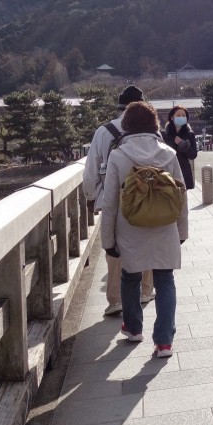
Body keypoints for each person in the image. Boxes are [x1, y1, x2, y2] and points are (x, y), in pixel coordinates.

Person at [99, 101, 188, 358]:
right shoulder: (168, 154)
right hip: (165, 226)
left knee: (130, 276)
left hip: (130, 228)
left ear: (126, 126)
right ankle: (164, 342)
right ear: (155, 125)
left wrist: (108, 240)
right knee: (165, 279)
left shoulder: (118, 156)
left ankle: (133, 328)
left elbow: (110, 202)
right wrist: (182, 232)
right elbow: (180, 196)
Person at [82, 85, 153, 315]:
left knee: (115, 248)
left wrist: (91, 196)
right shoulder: (151, 132)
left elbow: (92, 169)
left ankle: (115, 300)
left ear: (120, 108)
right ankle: (145, 290)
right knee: (145, 241)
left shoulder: (104, 132)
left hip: (113, 198)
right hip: (145, 198)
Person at [162, 105, 198, 190]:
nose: (181, 117)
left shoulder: (190, 134)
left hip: (184, 171)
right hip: (168, 171)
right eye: (178, 115)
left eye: (183, 115)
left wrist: (182, 144)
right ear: (171, 117)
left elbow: (193, 155)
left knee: (183, 200)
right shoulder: (165, 134)